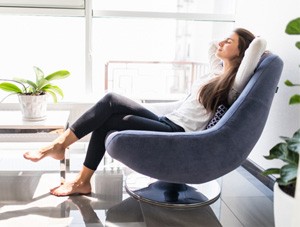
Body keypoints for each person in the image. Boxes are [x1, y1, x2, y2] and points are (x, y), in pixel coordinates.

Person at [23, 28, 266, 196]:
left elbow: (258, 47)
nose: (221, 44)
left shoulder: (233, 85)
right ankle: (80, 179)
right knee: (109, 113)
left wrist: (250, 44)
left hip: (180, 132)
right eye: (224, 40)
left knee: (110, 102)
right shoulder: (215, 71)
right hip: (167, 120)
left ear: (241, 52)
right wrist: (229, 42)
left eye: (229, 42)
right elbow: (212, 45)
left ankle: (62, 151)